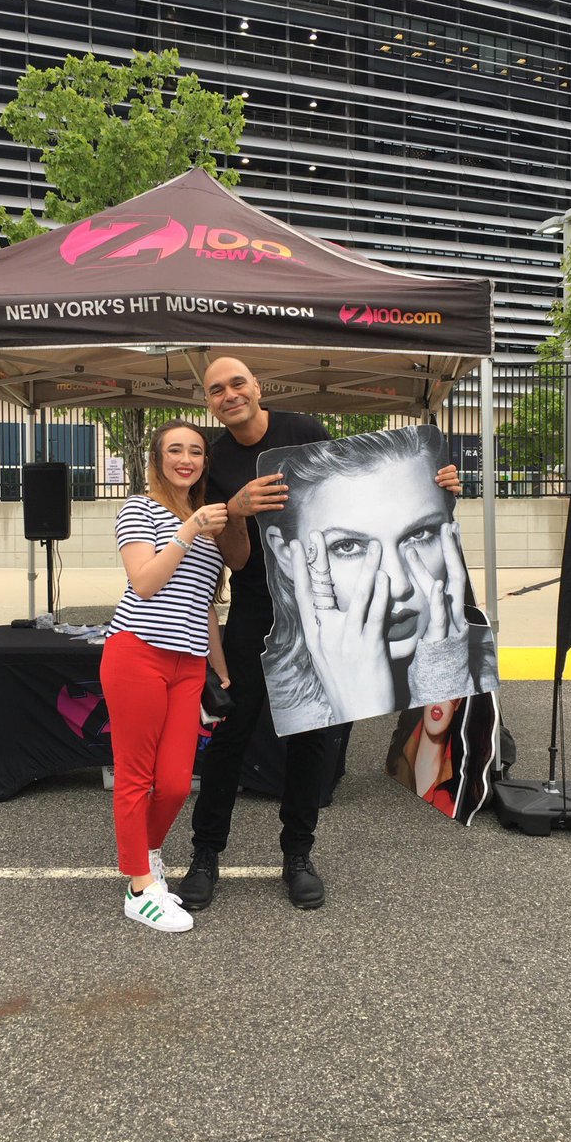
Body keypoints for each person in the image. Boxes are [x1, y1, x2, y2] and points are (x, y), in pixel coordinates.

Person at [176, 360, 462, 912]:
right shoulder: (214, 460)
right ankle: (205, 855)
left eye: (237, 384)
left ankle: (298, 854)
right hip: (258, 607)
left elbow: (361, 495)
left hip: (322, 603)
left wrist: (437, 486)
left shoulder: (302, 433)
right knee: (230, 738)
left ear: (258, 386)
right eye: (217, 390)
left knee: (312, 735)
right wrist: (235, 513)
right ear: (208, 402)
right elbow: (235, 559)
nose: (229, 395)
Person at [257, 425, 498, 735]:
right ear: (287, 555)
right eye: (347, 546)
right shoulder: (287, 710)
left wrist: (444, 670)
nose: (399, 585)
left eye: (419, 534)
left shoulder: (481, 665)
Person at [100, 419, 229, 933]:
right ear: (157, 457)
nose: (186, 458)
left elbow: (205, 606)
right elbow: (146, 582)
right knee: (135, 775)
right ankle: (139, 886)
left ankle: (145, 855)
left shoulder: (207, 525)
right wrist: (189, 529)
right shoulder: (139, 508)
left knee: (175, 783)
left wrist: (220, 672)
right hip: (137, 653)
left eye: (195, 451)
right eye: (174, 449)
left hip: (189, 663)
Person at [386, 690, 498, 825]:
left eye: (450, 692)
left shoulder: (455, 790)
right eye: (435, 688)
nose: (439, 700)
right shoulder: (398, 759)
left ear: (458, 703)